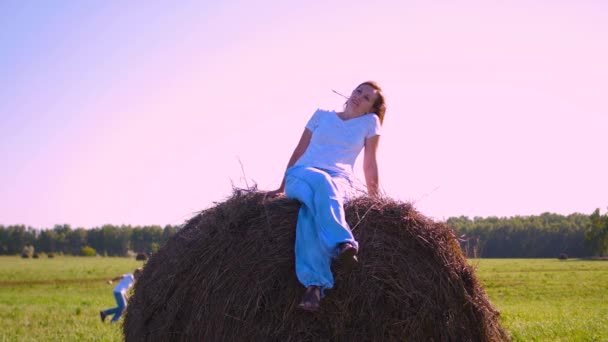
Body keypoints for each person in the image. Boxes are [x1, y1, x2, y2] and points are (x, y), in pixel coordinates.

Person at [266, 81, 386, 311]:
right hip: (302, 175)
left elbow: (370, 163)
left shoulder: (370, 123)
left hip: (340, 181)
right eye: (358, 91)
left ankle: (315, 287)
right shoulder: (321, 115)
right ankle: (342, 242)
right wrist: (282, 185)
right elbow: (299, 150)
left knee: (309, 214)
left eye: (367, 98)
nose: (359, 96)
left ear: (371, 109)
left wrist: (375, 200)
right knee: (322, 181)